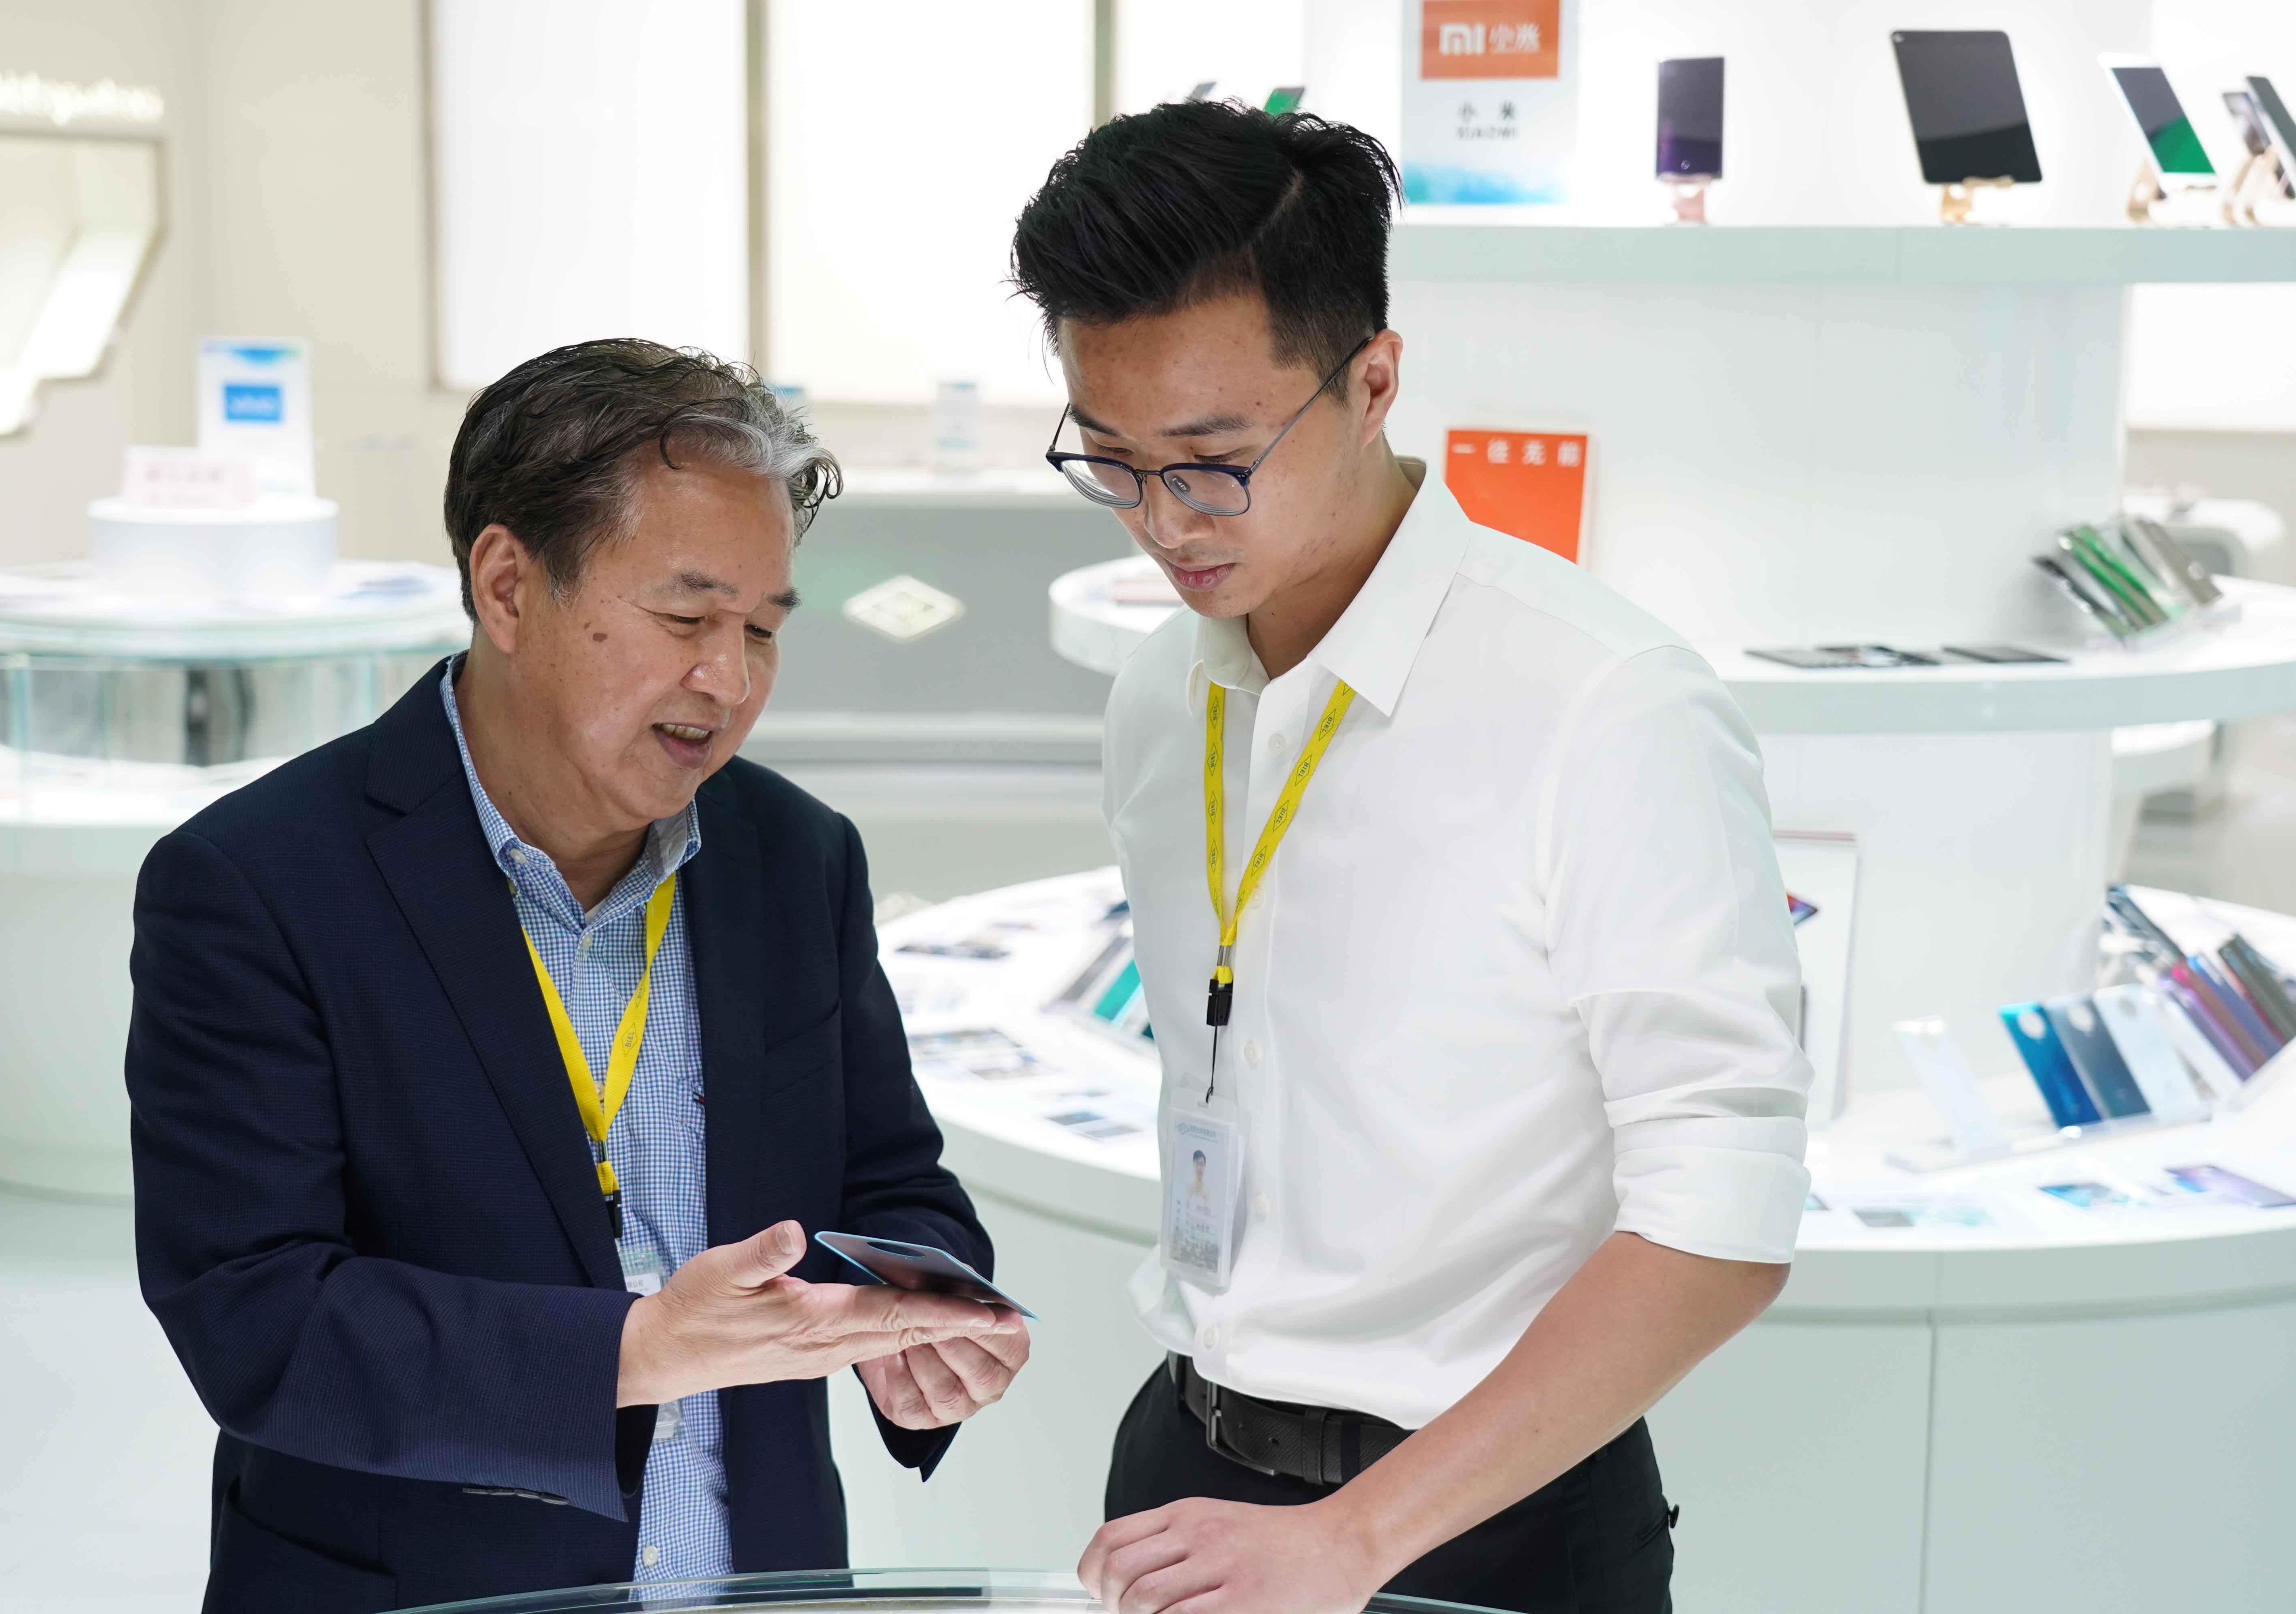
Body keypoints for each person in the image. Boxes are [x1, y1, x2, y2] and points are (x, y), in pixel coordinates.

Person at [1010, 102, 1810, 1614]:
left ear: (1373, 379)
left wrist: (1359, 1538)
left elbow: (1725, 1218)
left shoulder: (1605, 702)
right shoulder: (1162, 690)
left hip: (1485, 1521)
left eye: (1214, 461)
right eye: (1110, 461)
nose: (1164, 523)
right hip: (1188, 1463)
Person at [127, 340, 1030, 1613]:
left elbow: (893, 1181)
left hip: (756, 1579)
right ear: (508, 587)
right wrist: (633, 1351)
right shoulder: (257, 882)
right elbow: (258, 1316)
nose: (730, 681)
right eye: (685, 620)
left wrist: (915, 1321)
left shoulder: (796, 856)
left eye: (763, 630)